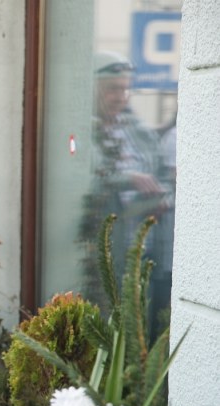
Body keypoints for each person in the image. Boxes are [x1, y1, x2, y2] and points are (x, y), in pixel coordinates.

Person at [81, 51, 167, 322]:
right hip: (105, 254)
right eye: (112, 90)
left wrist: (163, 196)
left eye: (125, 89)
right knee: (108, 326)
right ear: (91, 89)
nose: (120, 97)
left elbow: (162, 173)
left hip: (145, 249)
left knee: (141, 333)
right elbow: (78, 183)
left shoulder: (136, 130)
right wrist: (126, 179)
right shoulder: (81, 131)